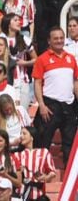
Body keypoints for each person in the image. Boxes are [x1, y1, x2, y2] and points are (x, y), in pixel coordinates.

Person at [33, 26, 78, 163]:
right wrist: (41, 104)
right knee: (43, 142)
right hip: (50, 106)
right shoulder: (42, 59)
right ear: (49, 41)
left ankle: (69, 182)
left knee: (69, 146)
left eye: (61, 38)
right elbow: (37, 83)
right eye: (55, 38)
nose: (59, 41)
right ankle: (40, 178)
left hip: (69, 106)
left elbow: (75, 82)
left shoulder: (71, 59)